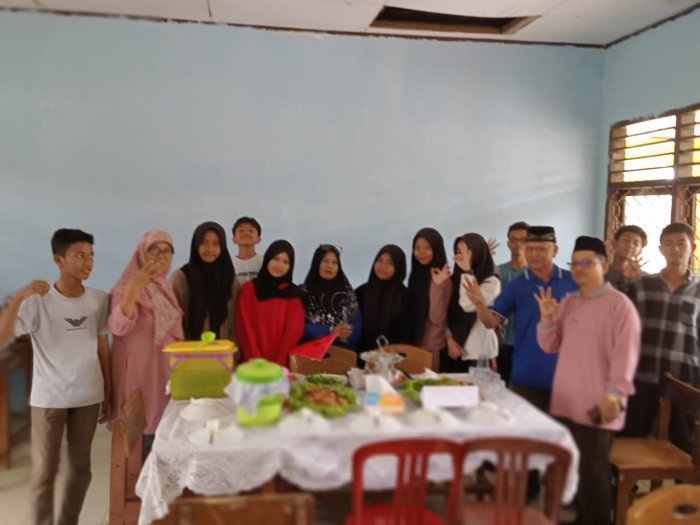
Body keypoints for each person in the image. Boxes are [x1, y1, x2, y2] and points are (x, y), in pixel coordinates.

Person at [0, 229, 111, 525]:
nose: (88, 262)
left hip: (88, 396)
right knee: (43, 472)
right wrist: (19, 296)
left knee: (81, 469)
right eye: (80, 255)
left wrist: (109, 392)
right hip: (49, 398)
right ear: (58, 260)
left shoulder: (99, 299)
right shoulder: (38, 301)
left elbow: (103, 347)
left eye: (91, 256)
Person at [535, 236, 641, 525]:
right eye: (574, 263)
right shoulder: (570, 301)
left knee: (594, 473)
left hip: (599, 402)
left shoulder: (619, 305)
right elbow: (550, 345)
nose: (578, 268)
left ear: (604, 266)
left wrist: (613, 394)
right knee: (575, 467)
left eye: (586, 262)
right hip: (567, 399)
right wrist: (546, 319)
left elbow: (626, 355)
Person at [464, 225, 577, 412]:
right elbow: (491, 322)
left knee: (562, 429)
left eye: (541, 249)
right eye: (530, 248)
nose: (534, 254)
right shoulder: (516, 285)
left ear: (555, 250)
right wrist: (479, 304)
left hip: (566, 376)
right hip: (525, 376)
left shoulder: (572, 281)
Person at [623, 222, 700, 452]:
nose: (675, 249)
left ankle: (682, 478)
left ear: (693, 247)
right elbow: (621, 322)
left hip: (684, 379)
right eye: (669, 243)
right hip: (642, 373)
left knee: (683, 445)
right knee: (632, 438)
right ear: (660, 249)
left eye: (681, 243)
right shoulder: (641, 285)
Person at [108, 230, 183, 455]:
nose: (160, 257)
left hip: (163, 373)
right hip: (139, 376)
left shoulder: (165, 287)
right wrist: (134, 287)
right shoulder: (125, 287)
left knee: (163, 437)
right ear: (141, 253)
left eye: (167, 252)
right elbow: (118, 326)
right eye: (154, 250)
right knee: (139, 442)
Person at [235, 240, 305, 365]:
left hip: (281, 366)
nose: (279, 265)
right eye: (276, 258)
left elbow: (292, 334)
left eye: (285, 262)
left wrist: (279, 364)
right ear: (267, 258)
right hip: (252, 364)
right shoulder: (249, 289)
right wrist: (256, 361)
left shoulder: (293, 295)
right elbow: (244, 328)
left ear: (290, 266)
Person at [171, 221, 240, 340]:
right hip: (189, 348)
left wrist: (234, 349)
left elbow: (236, 320)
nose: (210, 249)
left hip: (224, 348)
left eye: (215, 244)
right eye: (204, 242)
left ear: (222, 247)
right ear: (196, 244)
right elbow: (173, 320)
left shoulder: (230, 279)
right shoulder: (181, 277)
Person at [444, 233, 500, 372]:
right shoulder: (454, 280)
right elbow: (443, 312)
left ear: (478, 252)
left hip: (479, 354)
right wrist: (449, 338)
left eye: (467, 252)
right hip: (453, 351)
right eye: (458, 251)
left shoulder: (492, 282)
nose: (461, 256)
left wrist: (467, 272)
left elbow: (468, 305)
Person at [301, 244, 362, 350]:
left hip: (341, 353)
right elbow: (298, 328)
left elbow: (356, 332)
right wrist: (329, 330)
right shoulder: (303, 293)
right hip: (310, 353)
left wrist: (339, 334)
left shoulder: (347, 295)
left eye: (334, 262)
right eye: (325, 261)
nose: (329, 266)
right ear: (317, 263)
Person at [408, 228, 452, 371]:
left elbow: (437, 318)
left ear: (436, 249)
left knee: (428, 384)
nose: (421, 252)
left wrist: (436, 286)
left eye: (427, 248)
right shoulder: (416, 275)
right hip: (415, 343)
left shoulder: (444, 278)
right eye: (417, 248)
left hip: (433, 346)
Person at [355, 244, 413, 352]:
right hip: (362, 356)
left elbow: (408, 335)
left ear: (399, 267)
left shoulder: (406, 296)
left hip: (394, 357)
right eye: (380, 260)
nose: (383, 266)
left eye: (390, 263)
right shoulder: (361, 292)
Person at [496, 221, 529, 383]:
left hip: (530, 343)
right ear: (508, 242)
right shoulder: (498, 271)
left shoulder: (537, 273)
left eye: (523, 239)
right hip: (503, 342)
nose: (518, 244)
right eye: (514, 239)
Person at [605, 224, 648, 292]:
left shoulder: (645, 278)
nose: (630, 245)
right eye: (626, 240)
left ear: (640, 250)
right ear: (614, 242)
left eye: (636, 244)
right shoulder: (600, 272)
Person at [231, 217, 263, 283]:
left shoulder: (265, 261)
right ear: (234, 239)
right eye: (241, 230)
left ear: (259, 239)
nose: (246, 233)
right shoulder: (228, 263)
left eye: (251, 230)